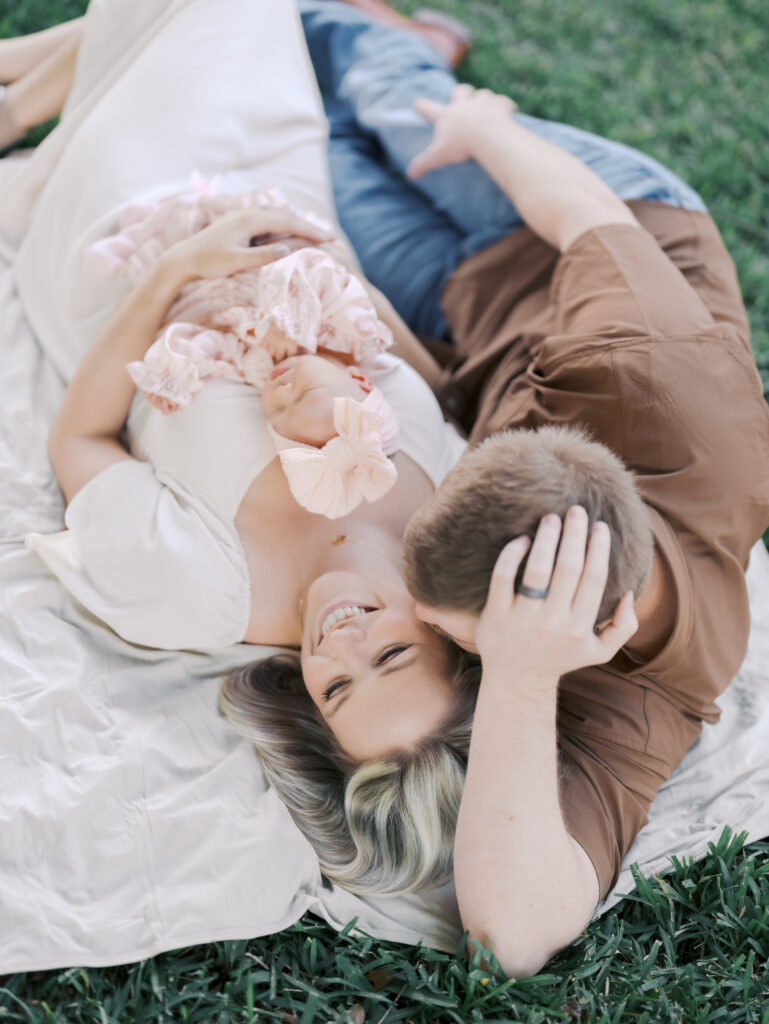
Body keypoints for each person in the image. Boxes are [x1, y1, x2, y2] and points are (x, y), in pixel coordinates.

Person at [290, 0, 769, 976]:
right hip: (588, 214)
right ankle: (364, 31)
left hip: (468, 315)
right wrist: (485, 129)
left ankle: (401, 50)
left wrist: (517, 676)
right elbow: (580, 212)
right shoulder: (637, 372)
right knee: (383, 89)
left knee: (310, 142)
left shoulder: (631, 692)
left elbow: (510, 936)